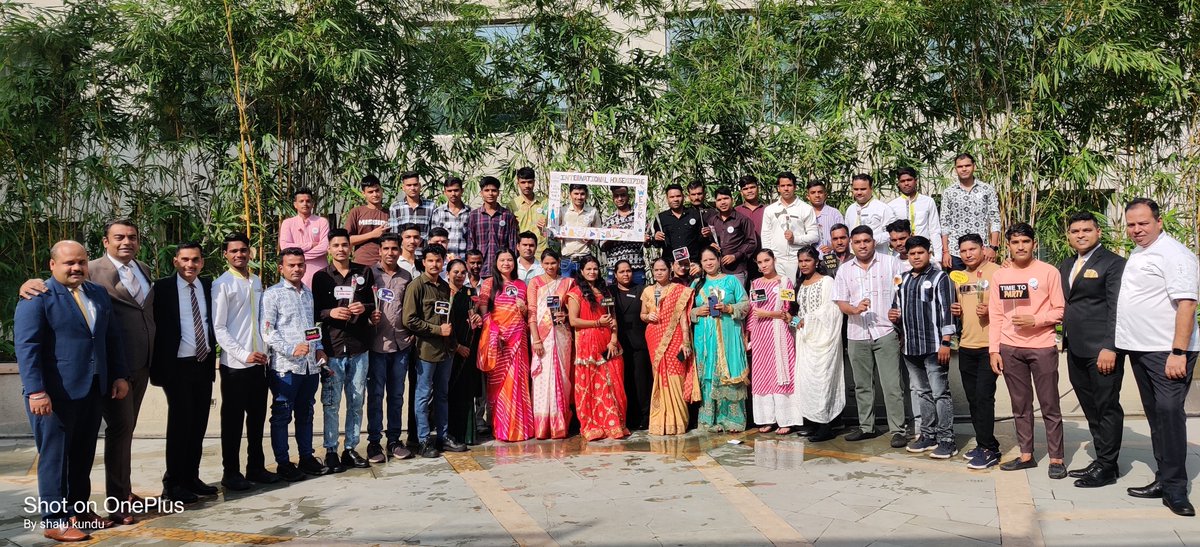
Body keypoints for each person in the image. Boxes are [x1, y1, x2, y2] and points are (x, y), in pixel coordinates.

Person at [19, 220, 155, 524]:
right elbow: (27, 349)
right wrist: (36, 391)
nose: (76, 267)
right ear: (53, 264)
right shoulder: (37, 298)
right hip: (55, 392)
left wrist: (118, 375)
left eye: (81, 261)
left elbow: (110, 338)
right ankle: (55, 520)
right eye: (69, 263)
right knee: (56, 458)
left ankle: (79, 512)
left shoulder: (95, 293)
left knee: (82, 456)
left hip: (94, 387)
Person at [1116, 198, 1198, 517]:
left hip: (1167, 351)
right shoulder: (1141, 251)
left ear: (1159, 221)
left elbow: (1187, 304)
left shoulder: (1174, 254)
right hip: (1142, 349)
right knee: (1156, 417)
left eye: (1143, 223)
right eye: (1131, 225)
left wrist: (1178, 352)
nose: (1136, 230)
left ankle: (1176, 490)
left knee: (1169, 414)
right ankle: (1163, 479)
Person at [989, 223, 1066, 479]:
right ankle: (1026, 455)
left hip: (1042, 347)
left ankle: (1056, 458)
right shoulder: (1001, 275)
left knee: (1049, 405)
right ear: (1007, 245)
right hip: (1010, 348)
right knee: (1020, 405)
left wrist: (1037, 319)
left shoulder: (1049, 272)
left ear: (1034, 243)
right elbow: (996, 314)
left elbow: (1060, 309)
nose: (1020, 246)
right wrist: (994, 350)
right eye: (1015, 242)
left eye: (1025, 241)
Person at [1057, 211, 1126, 488]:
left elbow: (1117, 308)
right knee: (1090, 406)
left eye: (1086, 230)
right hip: (1075, 347)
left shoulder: (1113, 263)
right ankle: (1103, 459)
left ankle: (1108, 466)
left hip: (1102, 350)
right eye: (1075, 231)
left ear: (1098, 231)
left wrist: (1110, 346)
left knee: (1106, 406)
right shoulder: (1066, 264)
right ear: (1069, 236)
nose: (1081, 235)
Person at [150, 242, 218, 503]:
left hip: (202, 362)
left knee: (198, 423)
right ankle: (173, 483)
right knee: (180, 424)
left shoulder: (210, 286)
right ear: (176, 261)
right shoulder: (161, 288)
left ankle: (191, 477)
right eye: (185, 259)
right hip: (176, 366)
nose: (191, 265)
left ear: (202, 262)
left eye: (196, 260)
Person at [212, 233, 278, 491]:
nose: (239, 255)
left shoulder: (256, 281)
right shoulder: (222, 284)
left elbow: (261, 320)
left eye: (243, 250)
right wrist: (243, 354)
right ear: (225, 254)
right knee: (233, 421)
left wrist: (262, 353)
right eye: (234, 251)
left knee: (257, 418)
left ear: (250, 253)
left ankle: (256, 467)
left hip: (259, 364)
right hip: (236, 366)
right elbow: (219, 327)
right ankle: (231, 472)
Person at [833, 225, 907, 448]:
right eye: (858, 242)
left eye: (866, 241)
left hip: (885, 331)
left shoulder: (890, 263)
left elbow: (902, 293)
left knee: (892, 385)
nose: (862, 245)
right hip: (857, 333)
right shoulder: (844, 270)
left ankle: (898, 429)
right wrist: (853, 309)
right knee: (862, 385)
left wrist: (899, 316)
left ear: (874, 242)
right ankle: (866, 427)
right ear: (851, 245)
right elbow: (840, 301)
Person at [311, 229, 376, 473]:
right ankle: (330, 450)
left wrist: (364, 307)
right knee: (331, 402)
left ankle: (350, 448)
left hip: (359, 347)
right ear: (329, 249)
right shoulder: (321, 277)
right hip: (333, 349)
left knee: (357, 400)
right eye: (336, 245)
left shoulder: (364, 272)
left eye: (344, 245)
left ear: (351, 248)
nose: (340, 249)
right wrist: (330, 313)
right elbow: (314, 311)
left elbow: (373, 304)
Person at [262, 248, 328, 482]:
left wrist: (318, 346)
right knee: (281, 415)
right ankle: (283, 462)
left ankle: (306, 457)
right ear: (281, 268)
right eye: (291, 265)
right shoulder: (273, 294)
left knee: (306, 412)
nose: (297, 268)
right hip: (286, 367)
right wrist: (291, 349)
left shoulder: (307, 293)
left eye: (300, 264)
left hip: (310, 366)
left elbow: (311, 327)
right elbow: (268, 332)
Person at [888, 237, 957, 458]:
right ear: (907, 256)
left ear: (928, 253)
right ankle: (928, 435)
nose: (916, 257)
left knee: (940, 393)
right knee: (922, 393)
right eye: (912, 254)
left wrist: (946, 342)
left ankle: (947, 439)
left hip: (935, 347)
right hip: (910, 347)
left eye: (920, 252)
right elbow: (895, 308)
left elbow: (947, 311)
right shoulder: (902, 279)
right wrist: (893, 317)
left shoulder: (940, 278)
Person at [403, 244, 467, 457]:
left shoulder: (444, 287)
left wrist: (453, 342)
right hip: (425, 351)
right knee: (423, 396)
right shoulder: (416, 286)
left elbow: (448, 319)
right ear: (424, 262)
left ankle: (443, 435)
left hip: (445, 352)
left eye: (438, 261)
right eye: (430, 260)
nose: (434, 264)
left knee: (442, 395)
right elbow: (409, 320)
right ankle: (423, 440)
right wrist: (437, 330)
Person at [950, 234, 1002, 470]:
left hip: (989, 347)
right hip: (966, 345)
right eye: (963, 251)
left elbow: (1008, 308)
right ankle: (983, 444)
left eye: (972, 249)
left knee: (984, 397)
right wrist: (956, 310)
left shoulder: (998, 272)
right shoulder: (959, 277)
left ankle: (990, 448)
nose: (968, 254)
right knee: (973, 400)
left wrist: (990, 311)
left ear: (983, 249)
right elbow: (960, 308)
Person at [568, 255, 630, 440]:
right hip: (587, 344)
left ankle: (614, 424)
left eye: (595, 268)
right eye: (588, 269)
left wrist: (613, 339)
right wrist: (596, 322)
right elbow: (573, 321)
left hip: (608, 343)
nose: (592, 272)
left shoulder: (606, 292)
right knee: (591, 385)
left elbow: (613, 319)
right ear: (581, 271)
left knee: (614, 383)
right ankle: (593, 425)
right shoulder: (576, 293)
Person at [690, 247, 750, 432]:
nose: (709, 263)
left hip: (728, 334)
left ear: (719, 260)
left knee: (729, 373)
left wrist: (729, 308)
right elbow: (684, 312)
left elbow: (746, 304)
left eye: (712, 259)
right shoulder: (697, 284)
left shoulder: (731, 281)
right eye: (705, 260)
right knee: (708, 377)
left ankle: (732, 420)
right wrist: (696, 311)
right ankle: (710, 420)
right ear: (701, 263)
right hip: (705, 339)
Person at [366, 234, 414, 462]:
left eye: (394, 249)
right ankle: (374, 442)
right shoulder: (370, 275)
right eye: (386, 248)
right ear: (379, 251)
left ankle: (394, 440)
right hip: (377, 345)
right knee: (375, 395)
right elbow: (363, 304)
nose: (390, 253)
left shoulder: (407, 276)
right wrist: (368, 319)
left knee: (396, 396)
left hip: (401, 344)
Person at [476, 249, 533, 441]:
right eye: (502, 260)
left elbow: (526, 314)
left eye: (510, 260)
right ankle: (501, 427)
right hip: (498, 341)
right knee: (500, 385)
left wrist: (524, 309)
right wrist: (494, 334)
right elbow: (484, 312)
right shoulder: (489, 283)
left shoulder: (521, 285)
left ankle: (521, 428)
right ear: (496, 262)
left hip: (519, 340)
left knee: (519, 383)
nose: (506, 263)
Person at [792, 246, 845, 442]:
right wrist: (793, 320)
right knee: (808, 381)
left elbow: (832, 310)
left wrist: (810, 319)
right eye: (800, 261)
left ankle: (826, 425)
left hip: (824, 340)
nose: (804, 264)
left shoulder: (827, 282)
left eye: (807, 260)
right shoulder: (800, 285)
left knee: (823, 380)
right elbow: (798, 317)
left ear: (816, 262)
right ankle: (813, 422)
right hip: (805, 340)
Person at [746, 250, 799, 434]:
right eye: (759, 262)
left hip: (779, 332)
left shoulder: (785, 282)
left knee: (782, 372)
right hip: (761, 334)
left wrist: (769, 314)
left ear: (774, 260)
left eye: (766, 260)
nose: (763, 265)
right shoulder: (755, 283)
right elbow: (754, 311)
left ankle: (786, 419)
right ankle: (767, 418)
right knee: (763, 373)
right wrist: (749, 335)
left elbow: (788, 312)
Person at [640, 258, 696, 436]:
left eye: (662, 269)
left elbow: (683, 318)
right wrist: (648, 317)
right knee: (659, 376)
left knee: (675, 376)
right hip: (654, 336)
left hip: (675, 337)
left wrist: (686, 340)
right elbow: (642, 314)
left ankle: (677, 422)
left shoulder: (679, 290)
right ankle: (660, 421)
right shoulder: (648, 291)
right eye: (656, 270)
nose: (659, 273)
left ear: (670, 270)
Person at [527, 249, 578, 439]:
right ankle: (542, 426)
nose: (550, 267)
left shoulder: (568, 282)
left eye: (553, 263)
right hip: (541, 335)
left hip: (562, 335)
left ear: (559, 263)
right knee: (542, 377)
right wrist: (537, 339)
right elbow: (531, 313)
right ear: (541, 264)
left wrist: (564, 316)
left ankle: (560, 425)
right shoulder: (535, 283)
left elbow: (572, 311)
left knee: (562, 377)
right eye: (546, 264)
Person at [445, 259, 484, 445]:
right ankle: (449, 433)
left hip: (469, 349)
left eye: (463, 272)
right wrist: (456, 347)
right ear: (448, 274)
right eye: (455, 272)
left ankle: (467, 434)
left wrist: (477, 319)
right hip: (450, 350)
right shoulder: (444, 293)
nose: (459, 275)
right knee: (449, 393)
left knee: (466, 391)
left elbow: (475, 319)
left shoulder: (470, 293)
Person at [940, 154, 1001, 270]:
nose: (964, 169)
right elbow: (944, 223)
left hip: (982, 251)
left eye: (967, 165)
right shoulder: (948, 192)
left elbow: (995, 219)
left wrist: (993, 247)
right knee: (958, 287)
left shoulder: (987, 189)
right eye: (960, 166)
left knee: (983, 286)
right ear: (955, 169)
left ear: (974, 166)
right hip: (956, 252)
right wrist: (946, 251)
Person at [611, 260, 651, 431]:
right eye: (622, 272)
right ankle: (627, 417)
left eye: (628, 271)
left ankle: (645, 416)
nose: (626, 274)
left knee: (641, 381)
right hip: (618, 343)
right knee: (624, 381)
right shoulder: (610, 292)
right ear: (615, 274)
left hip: (639, 343)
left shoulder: (641, 290)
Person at [762, 172, 819, 282]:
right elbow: (766, 235)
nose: (786, 189)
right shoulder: (770, 210)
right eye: (782, 186)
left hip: (797, 261)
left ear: (795, 187)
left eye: (789, 185)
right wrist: (769, 259)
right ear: (778, 188)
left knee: (795, 293)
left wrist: (795, 239)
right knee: (779, 294)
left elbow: (814, 236)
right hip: (777, 261)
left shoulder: (806, 209)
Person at [466, 176, 519, 278]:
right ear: (481, 193)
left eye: (494, 190)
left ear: (498, 192)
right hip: (480, 269)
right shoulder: (474, 215)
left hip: (501, 270)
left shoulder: (507, 215)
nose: (490, 193)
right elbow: (470, 242)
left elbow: (512, 244)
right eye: (487, 190)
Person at [887, 167, 943, 263]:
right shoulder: (892, 205)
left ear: (916, 181)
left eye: (909, 180)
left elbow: (934, 230)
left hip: (923, 252)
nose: (906, 183)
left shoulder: (928, 201)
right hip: (901, 257)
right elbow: (891, 235)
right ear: (898, 184)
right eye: (903, 181)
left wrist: (938, 257)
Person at [706, 187, 758, 285]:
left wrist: (735, 256)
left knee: (737, 299)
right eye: (719, 200)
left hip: (736, 270)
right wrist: (711, 245)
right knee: (720, 298)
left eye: (726, 198)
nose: (723, 202)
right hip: (717, 271)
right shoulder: (712, 221)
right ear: (716, 203)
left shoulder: (743, 220)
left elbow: (752, 242)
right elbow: (709, 241)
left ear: (732, 200)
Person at [279, 187, 330, 286]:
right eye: (301, 201)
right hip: (296, 271)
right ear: (295, 205)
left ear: (313, 204)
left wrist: (298, 257)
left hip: (319, 270)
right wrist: (310, 245)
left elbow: (324, 247)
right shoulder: (288, 223)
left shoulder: (322, 221)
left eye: (308, 201)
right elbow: (285, 247)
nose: (305, 204)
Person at [653, 183, 707, 277]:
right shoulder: (661, 218)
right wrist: (655, 238)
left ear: (683, 196)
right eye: (672, 197)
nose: (675, 199)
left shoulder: (695, 214)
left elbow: (703, 241)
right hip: (671, 266)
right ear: (667, 198)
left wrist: (707, 234)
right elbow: (658, 244)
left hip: (692, 265)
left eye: (678, 196)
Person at [601, 186, 647, 285]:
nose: (620, 198)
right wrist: (611, 236)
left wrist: (646, 239)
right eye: (616, 196)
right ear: (613, 198)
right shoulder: (609, 221)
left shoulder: (639, 218)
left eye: (622, 195)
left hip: (636, 267)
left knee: (639, 298)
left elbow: (648, 242)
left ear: (628, 196)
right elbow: (603, 247)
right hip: (614, 269)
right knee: (612, 299)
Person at [345, 175, 390, 267]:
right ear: (363, 193)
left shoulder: (390, 213)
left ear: (382, 190)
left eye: (377, 190)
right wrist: (372, 234)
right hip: (361, 263)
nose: (375, 194)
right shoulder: (356, 212)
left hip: (384, 264)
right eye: (370, 192)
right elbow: (347, 240)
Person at [844, 174, 896, 252]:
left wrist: (871, 240)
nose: (859, 192)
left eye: (863, 189)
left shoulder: (883, 208)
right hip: (854, 257)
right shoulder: (850, 209)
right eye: (856, 189)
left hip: (877, 256)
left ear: (871, 189)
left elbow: (893, 233)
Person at [558, 184, 601, 278]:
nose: (579, 197)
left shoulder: (592, 211)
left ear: (586, 195)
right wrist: (558, 236)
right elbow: (554, 233)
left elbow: (598, 234)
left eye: (582, 194)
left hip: (585, 259)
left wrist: (591, 239)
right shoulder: (562, 211)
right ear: (570, 194)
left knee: (586, 290)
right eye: (576, 193)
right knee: (566, 289)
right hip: (567, 259)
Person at [509, 166, 552, 256]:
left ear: (534, 182)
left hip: (542, 252)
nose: (527, 186)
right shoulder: (512, 205)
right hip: (522, 254)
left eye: (529, 182)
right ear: (518, 183)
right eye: (523, 182)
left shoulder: (545, 203)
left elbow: (553, 229)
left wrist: (546, 227)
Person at [431, 176, 472, 259]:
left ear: (462, 191)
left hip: (464, 259)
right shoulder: (438, 212)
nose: (453, 194)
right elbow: (434, 239)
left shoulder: (470, 212)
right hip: (444, 260)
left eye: (456, 190)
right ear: (445, 192)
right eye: (449, 191)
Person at [389, 170, 435, 239]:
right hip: (403, 249)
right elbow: (394, 234)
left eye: (415, 185)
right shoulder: (395, 207)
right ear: (403, 187)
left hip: (425, 249)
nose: (412, 188)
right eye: (409, 185)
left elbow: (434, 232)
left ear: (420, 186)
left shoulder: (431, 206)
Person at [807, 180, 845, 254]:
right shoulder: (804, 213)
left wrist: (832, 247)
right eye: (813, 193)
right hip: (810, 260)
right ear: (808, 196)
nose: (817, 195)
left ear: (825, 195)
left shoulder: (834, 213)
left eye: (820, 192)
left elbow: (844, 236)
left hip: (831, 258)